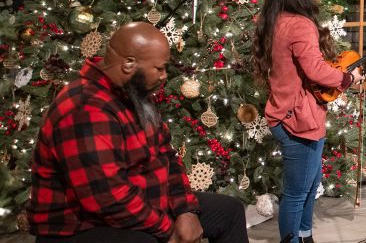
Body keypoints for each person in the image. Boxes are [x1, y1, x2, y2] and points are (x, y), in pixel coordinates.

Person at [28, 22, 248, 243]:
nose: (164, 76)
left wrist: (186, 211)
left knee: (228, 212)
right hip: (81, 226)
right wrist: (168, 230)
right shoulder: (86, 108)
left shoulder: (134, 92)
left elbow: (167, 156)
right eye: (159, 68)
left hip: (143, 203)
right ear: (128, 64)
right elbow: (107, 198)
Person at [252, 0, 364, 243]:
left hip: (288, 115)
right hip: (297, 120)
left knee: (310, 184)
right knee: (297, 192)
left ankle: (305, 235)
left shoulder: (278, 20)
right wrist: (347, 79)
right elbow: (315, 70)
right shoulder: (301, 24)